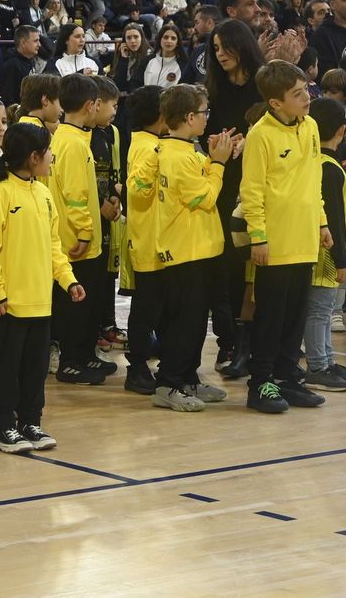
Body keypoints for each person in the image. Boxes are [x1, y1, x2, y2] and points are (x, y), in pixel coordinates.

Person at [0, 122, 82, 453]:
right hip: (8, 306)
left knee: (35, 371)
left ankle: (30, 422)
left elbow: (53, 246)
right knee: (5, 371)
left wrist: (68, 279)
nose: (52, 157)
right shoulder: (0, 193)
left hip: (40, 303)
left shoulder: (44, 195)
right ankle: (3, 427)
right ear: (34, 157)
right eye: (48, 152)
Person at [240, 60, 327, 414]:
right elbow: (252, 191)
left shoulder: (311, 126)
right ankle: (260, 383)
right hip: (275, 243)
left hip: (305, 239)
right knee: (271, 318)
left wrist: (322, 223)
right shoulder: (260, 134)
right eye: (297, 94)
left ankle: (287, 377)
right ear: (276, 102)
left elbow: (314, 180)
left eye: (306, 90)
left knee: (295, 318)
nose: (307, 98)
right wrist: (258, 237)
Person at [149, 83, 240, 412]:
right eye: (204, 113)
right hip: (185, 250)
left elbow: (202, 173)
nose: (207, 118)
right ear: (189, 117)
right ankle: (168, 383)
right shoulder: (177, 157)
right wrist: (219, 164)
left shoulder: (185, 151)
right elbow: (204, 197)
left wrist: (217, 154)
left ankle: (188, 378)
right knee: (184, 323)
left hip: (200, 247)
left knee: (197, 321)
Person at [48, 74, 119, 386]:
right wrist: (85, 232)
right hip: (76, 240)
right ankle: (72, 362)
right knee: (76, 306)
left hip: (73, 236)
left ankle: (87, 354)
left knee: (88, 304)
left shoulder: (66, 137)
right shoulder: (74, 143)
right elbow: (76, 195)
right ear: (91, 106)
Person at [301, 97, 346, 392]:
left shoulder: (317, 163)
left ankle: (327, 359)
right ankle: (317, 366)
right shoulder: (330, 168)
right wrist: (341, 259)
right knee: (320, 311)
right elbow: (334, 218)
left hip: (319, 249)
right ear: (341, 131)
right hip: (324, 252)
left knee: (322, 310)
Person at [122, 85, 165, 395]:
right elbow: (137, 189)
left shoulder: (144, 141)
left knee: (153, 305)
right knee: (145, 307)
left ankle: (149, 356)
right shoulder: (149, 148)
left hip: (152, 236)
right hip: (149, 238)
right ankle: (136, 366)